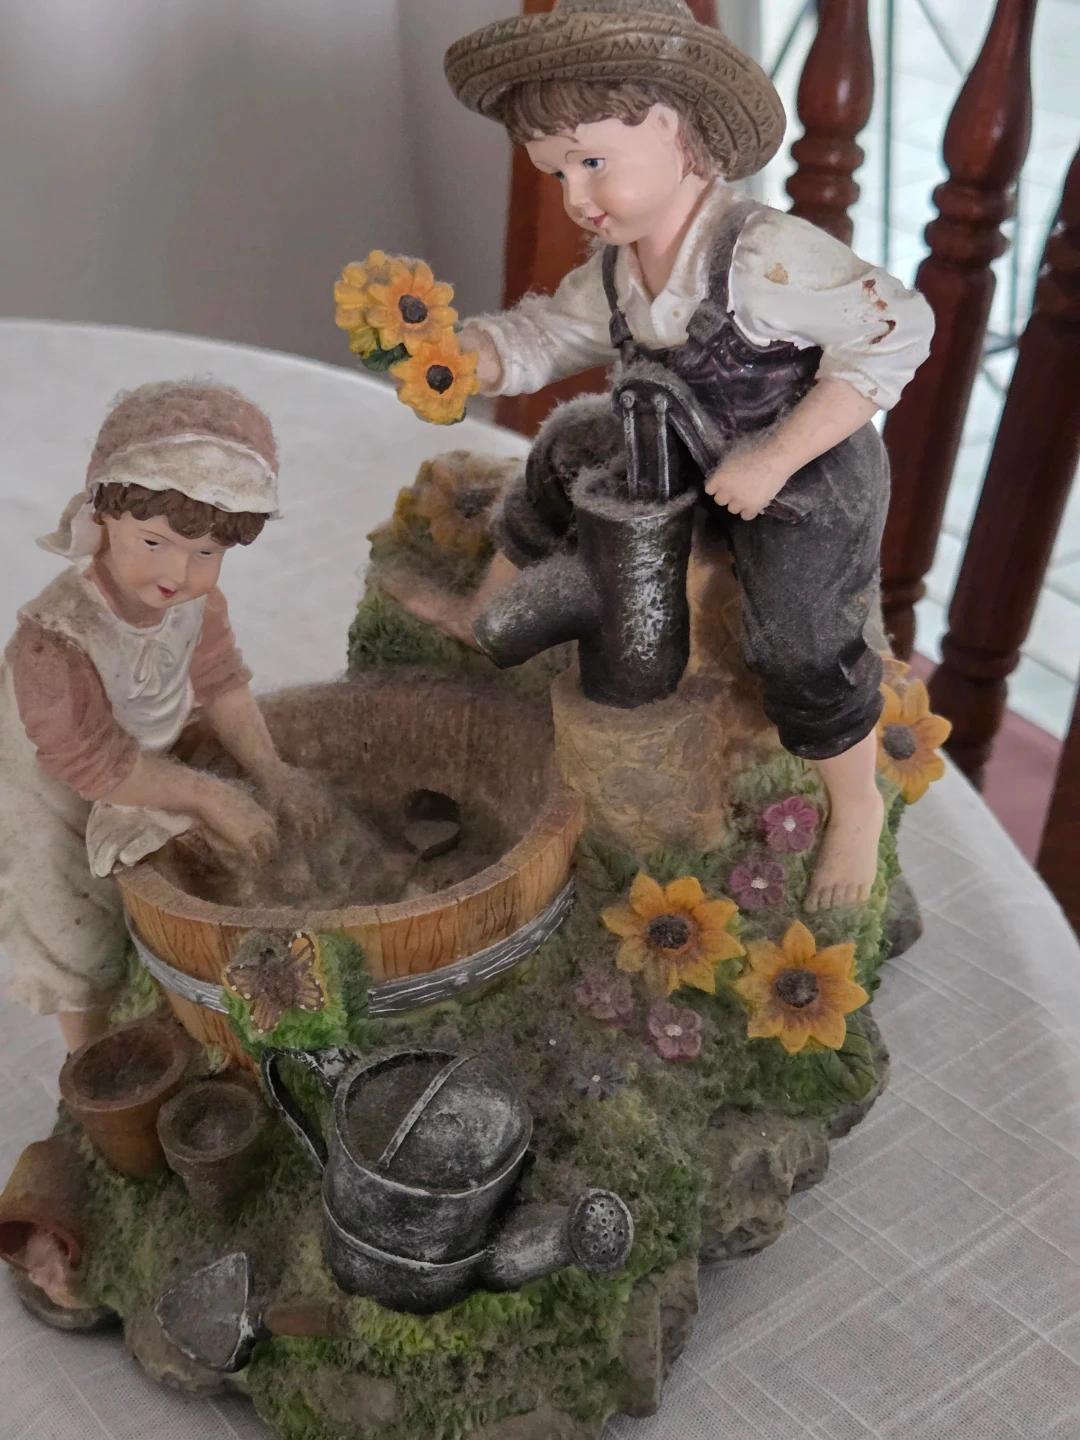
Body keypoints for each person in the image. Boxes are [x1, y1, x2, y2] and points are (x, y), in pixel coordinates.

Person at [416, 0, 935, 911]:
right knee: (564, 446)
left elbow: (899, 327)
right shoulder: (616, 267)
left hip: (803, 476)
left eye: (591, 161)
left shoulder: (764, 256)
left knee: (799, 640)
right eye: (555, 171)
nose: (576, 196)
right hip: (677, 452)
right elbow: (549, 335)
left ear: (669, 125)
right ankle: (491, 605)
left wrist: (776, 457)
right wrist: (467, 356)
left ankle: (853, 804)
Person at [0, 380, 328, 1052]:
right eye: (153, 542)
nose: (177, 571)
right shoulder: (53, 642)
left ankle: (165, 989)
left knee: (177, 883)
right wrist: (211, 795)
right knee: (74, 933)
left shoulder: (195, 606)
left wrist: (273, 772)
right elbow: (95, 762)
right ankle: (88, 1056)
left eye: (206, 553)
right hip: (51, 795)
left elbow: (223, 684)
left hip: (146, 767)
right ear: (103, 519)